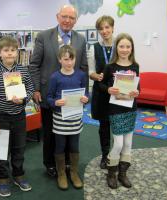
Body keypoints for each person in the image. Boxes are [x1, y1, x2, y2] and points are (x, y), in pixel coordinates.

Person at [29, 4, 88, 177]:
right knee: (50, 133)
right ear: (57, 17)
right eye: (64, 16)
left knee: (70, 133)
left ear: (75, 21)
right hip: (49, 95)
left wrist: (84, 94)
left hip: (73, 99)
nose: (67, 20)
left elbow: (83, 66)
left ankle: (68, 164)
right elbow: (34, 65)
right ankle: (50, 165)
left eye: (71, 18)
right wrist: (36, 89)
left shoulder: (80, 39)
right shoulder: (43, 36)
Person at [0, 36, 34, 197]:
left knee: (19, 148)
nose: (10, 53)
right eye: (6, 50)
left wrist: (24, 100)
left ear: (17, 52)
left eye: (13, 50)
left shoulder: (23, 70)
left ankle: (18, 175)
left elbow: (31, 88)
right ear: (0, 53)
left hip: (19, 117)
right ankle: (2, 179)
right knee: (0, 150)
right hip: (1, 117)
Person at [99, 33, 140, 189]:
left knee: (128, 143)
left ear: (132, 48)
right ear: (117, 47)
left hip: (131, 108)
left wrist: (137, 92)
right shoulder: (110, 67)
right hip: (115, 109)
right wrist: (108, 89)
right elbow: (100, 86)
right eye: (121, 46)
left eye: (128, 46)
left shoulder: (135, 66)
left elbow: (138, 87)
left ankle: (122, 174)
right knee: (118, 144)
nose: (124, 49)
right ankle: (111, 173)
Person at [47, 45, 88, 190]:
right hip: (60, 118)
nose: (69, 62)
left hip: (75, 117)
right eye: (65, 59)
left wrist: (85, 99)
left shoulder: (81, 75)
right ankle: (61, 174)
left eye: (72, 59)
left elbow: (86, 94)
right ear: (59, 60)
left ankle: (74, 173)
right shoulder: (55, 77)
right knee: (60, 146)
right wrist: (55, 102)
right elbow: (49, 98)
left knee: (74, 146)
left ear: (75, 59)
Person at [89, 15, 115, 169]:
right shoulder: (94, 47)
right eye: (101, 28)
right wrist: (95, 76)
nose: (104, 31)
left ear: (112, 27)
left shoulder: (120, 45)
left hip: (118, 92)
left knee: (118, 125)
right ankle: (105, 155)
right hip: (101, 92)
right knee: (104, 126)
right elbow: (91, 71)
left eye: (107, 27)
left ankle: (116, 153)